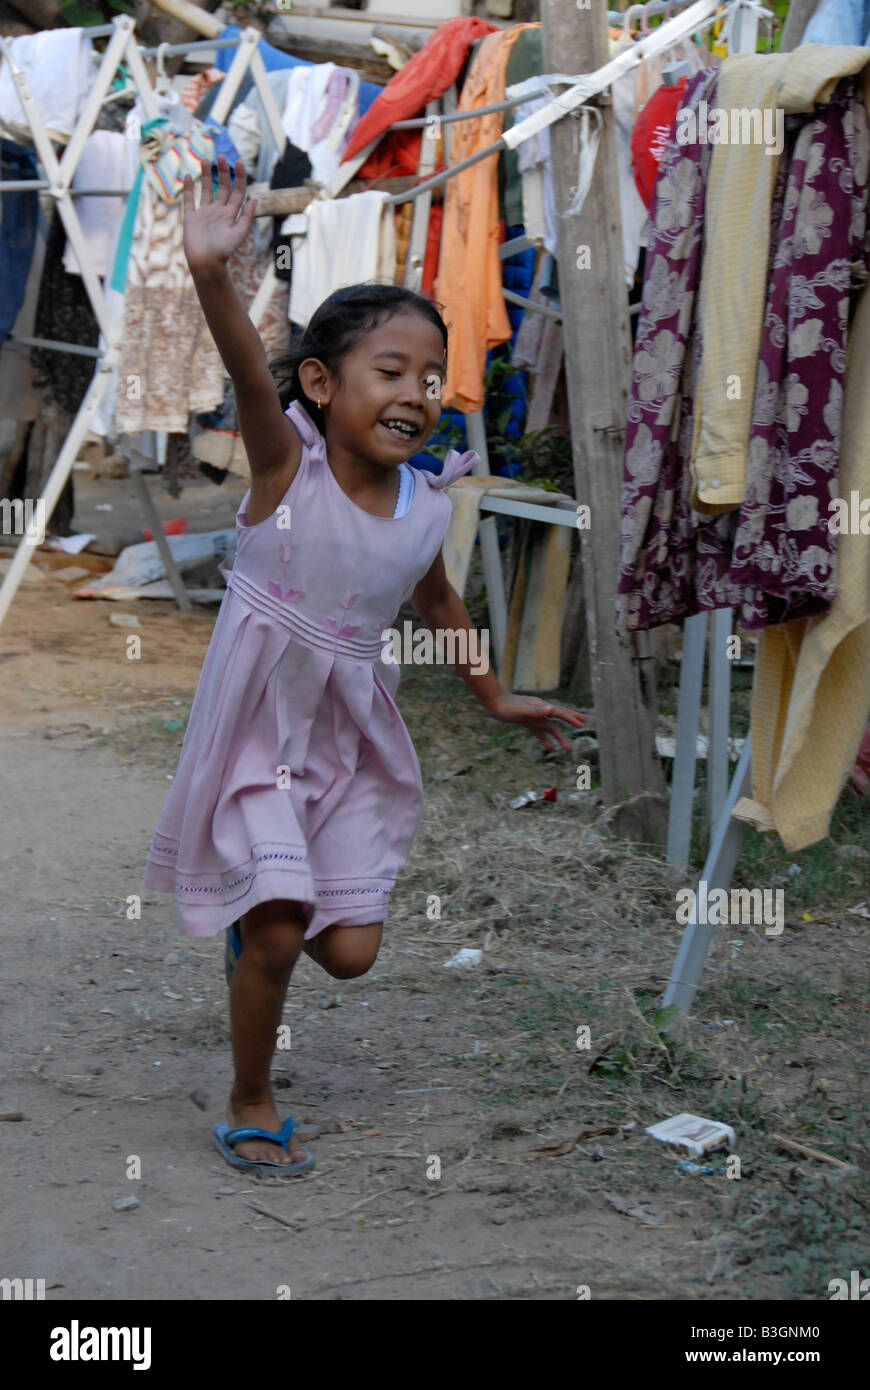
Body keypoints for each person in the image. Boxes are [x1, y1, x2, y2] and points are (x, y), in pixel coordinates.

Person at [142, 155, 586, 1176]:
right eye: (391, 371)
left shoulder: (426, 504)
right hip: (259, 728)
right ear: (319, 382)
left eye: (432, 378)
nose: (418, 394)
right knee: (285, 933)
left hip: (345, 736)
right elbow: (248, 374)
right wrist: (214, 276)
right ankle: (251, 1096)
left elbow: (432, 598)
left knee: (348, 952)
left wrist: (495, 692)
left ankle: (266, 918)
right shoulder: (280, 471)